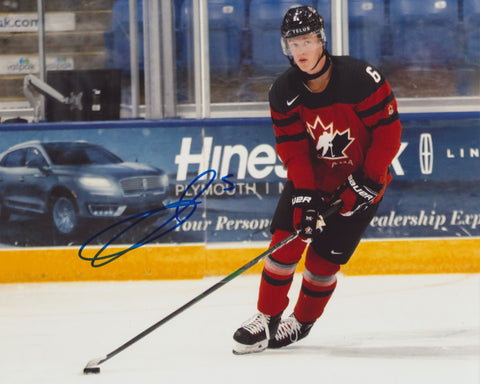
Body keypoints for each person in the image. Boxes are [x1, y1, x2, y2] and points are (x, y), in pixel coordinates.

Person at [232, 5, 402, 355]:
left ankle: (302, 320)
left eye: (307, 42)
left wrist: (367, 182)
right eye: (293, 44)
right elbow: (293, 149)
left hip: (363, 178)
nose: (301, 52)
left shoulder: (359, 78)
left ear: (321, 41)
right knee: (284, 242)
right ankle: (267, 316)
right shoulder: (283, 91)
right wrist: (305, 195)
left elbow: (388, 134)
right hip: (315, 177)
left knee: (323, 261)